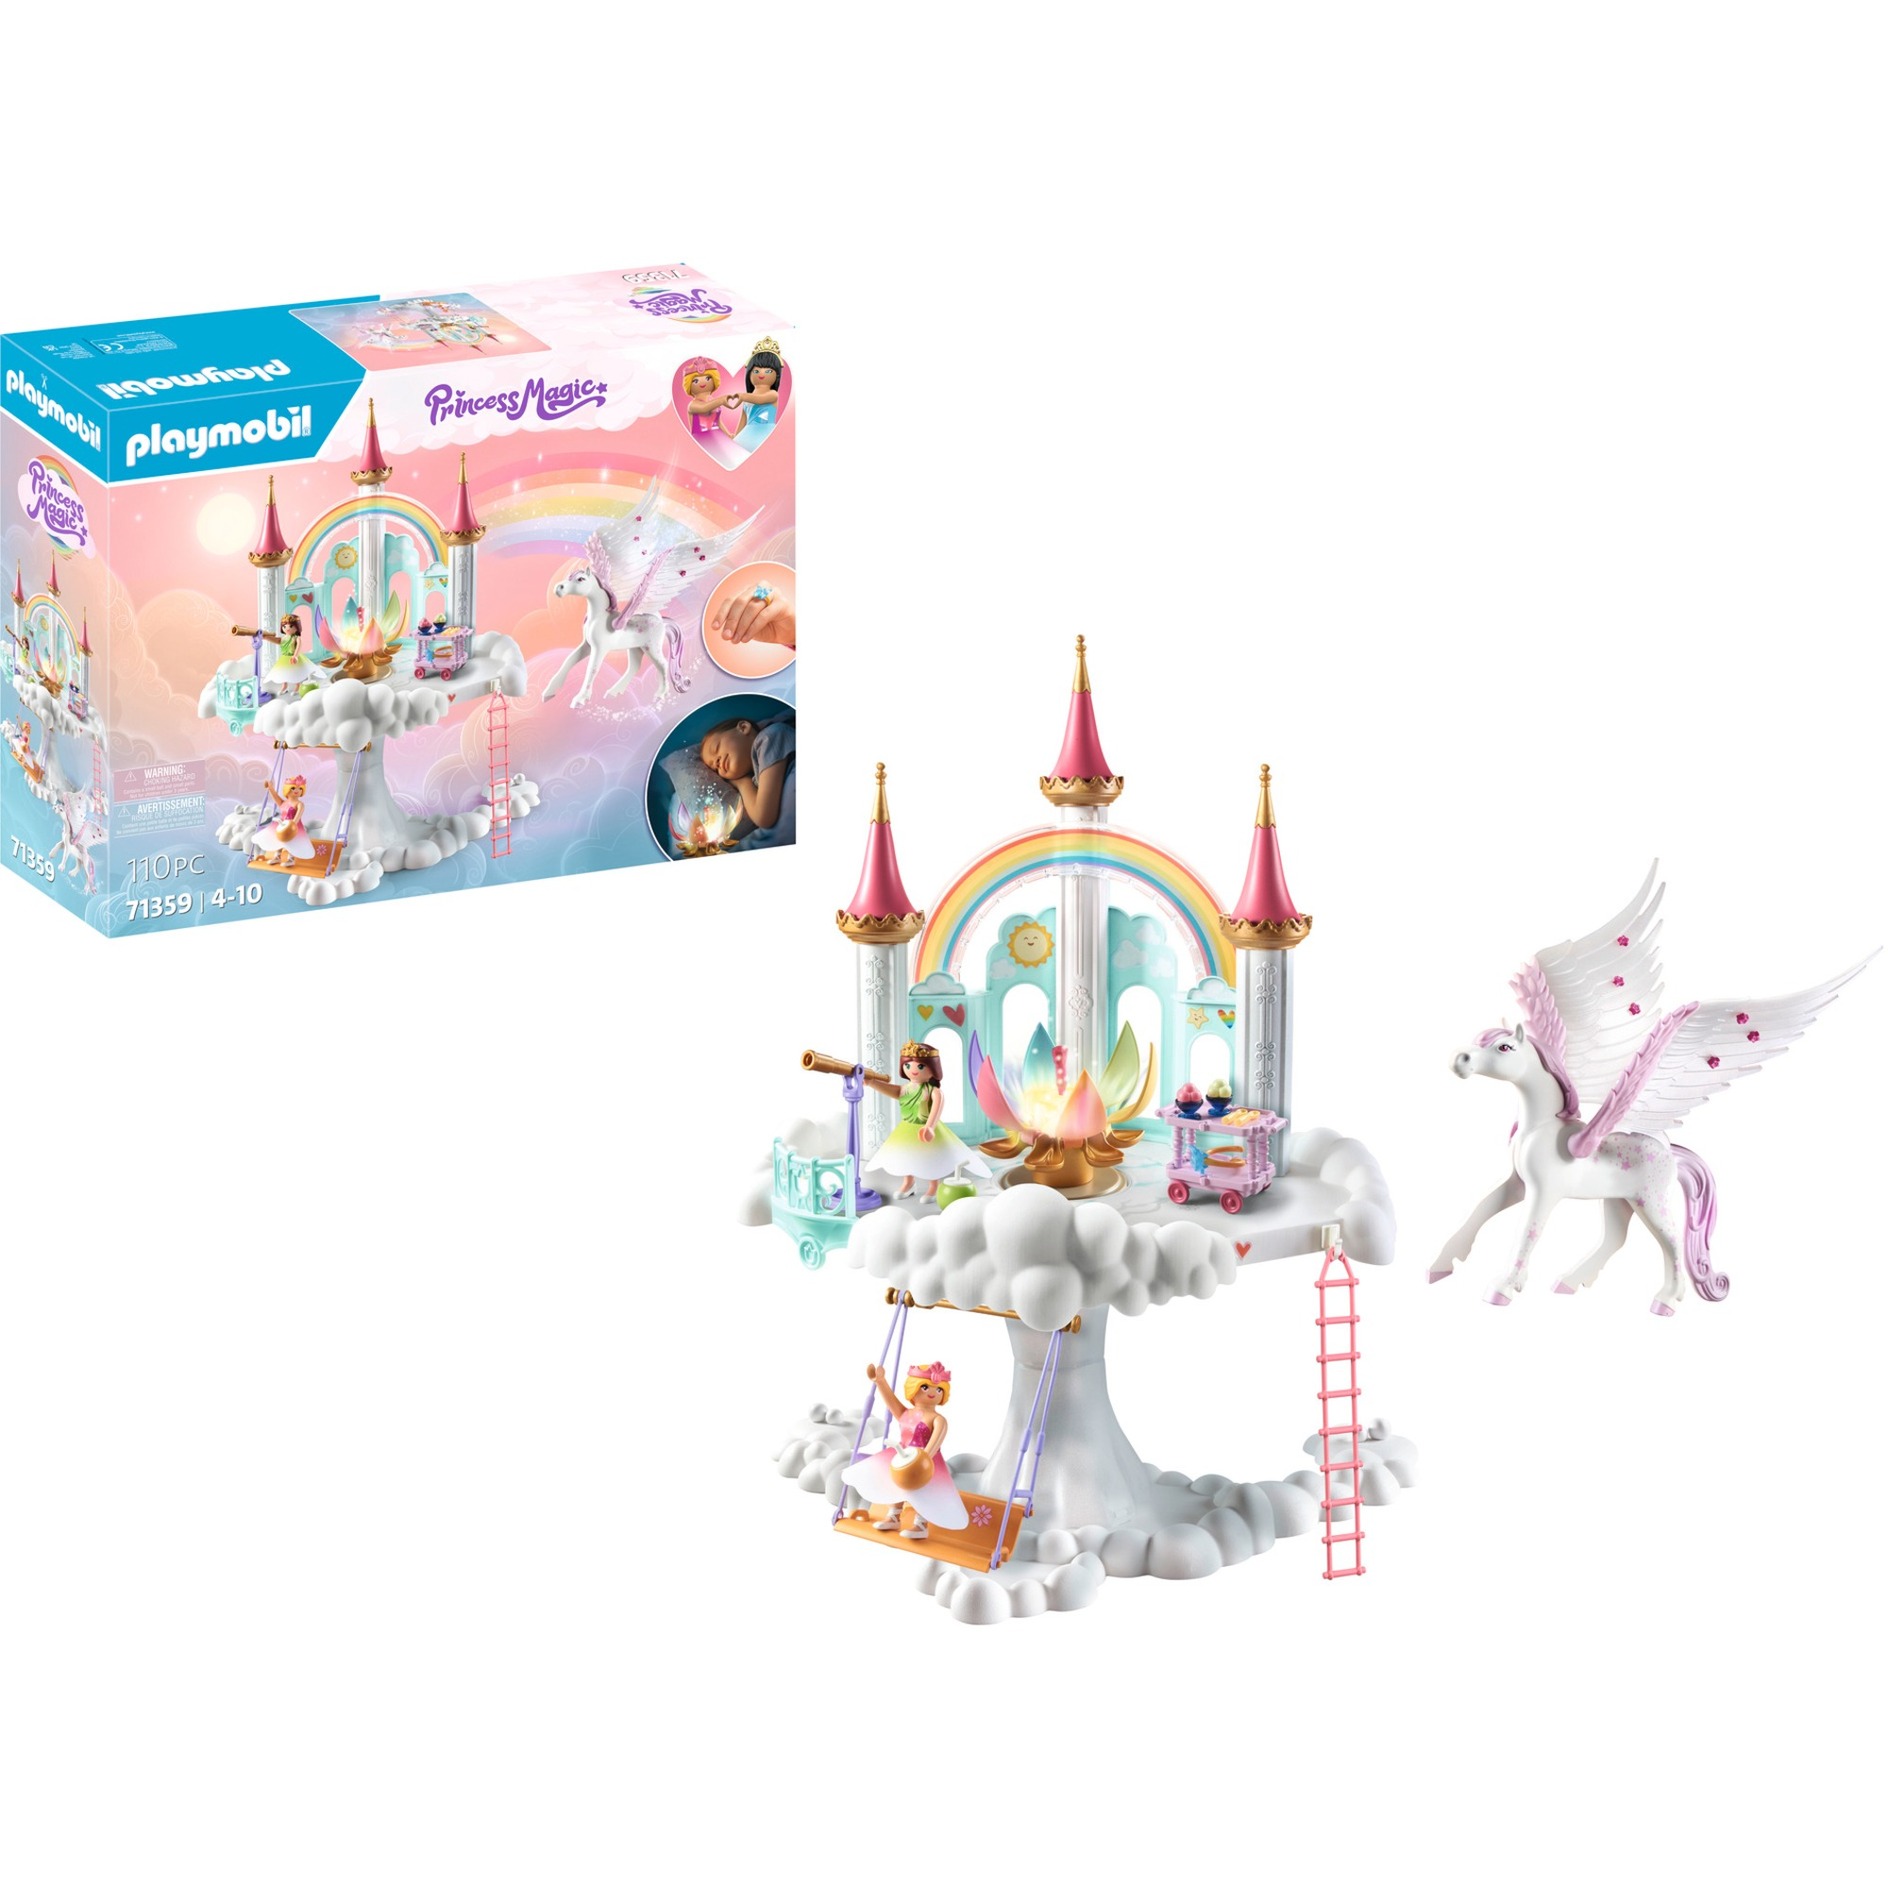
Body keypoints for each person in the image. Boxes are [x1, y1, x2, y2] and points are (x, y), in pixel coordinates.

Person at [841, 1361, 970, 1541]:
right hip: (901, 1456)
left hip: (925, 1461)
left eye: (939, 1389)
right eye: (925, 1387)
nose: (932, 1392)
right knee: (894, 1484)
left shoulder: (938, 1420)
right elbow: (891, 1401)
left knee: (924, 1492)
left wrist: (922, 1460)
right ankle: (894, 1517)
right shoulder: (906, 1413)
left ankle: (921, 1524)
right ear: (913, 1388)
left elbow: (935, 1442)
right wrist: (880, 1380)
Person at [865, 1042, 989, 1201]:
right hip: (906, 1129)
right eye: (907, 1065)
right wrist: (872, 1082)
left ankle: (933, 1186)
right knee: (907, 1157)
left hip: (925, 1130)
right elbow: (892, 1090)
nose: (913, 1070)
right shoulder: (905, 1089)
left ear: (933, 1068)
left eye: (920, 1066)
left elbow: (936, 1110)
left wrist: (930, 1127)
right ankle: (908, 1183)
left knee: (931, 1159)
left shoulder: (934, 1092)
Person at [698, 711, 794, 839]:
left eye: (716, 748)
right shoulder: (757, 779)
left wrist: (742, 783)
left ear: (743, 728)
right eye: (715, 769)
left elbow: (763, 817)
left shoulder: (770, 736)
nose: (717, 762)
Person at [254, 773, 316, 868]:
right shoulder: (284, 802)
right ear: (287, 789)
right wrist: (270, 787)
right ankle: (277, 857)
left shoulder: (299, 804)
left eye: (300, 788)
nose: (297, 790)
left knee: (292, 843)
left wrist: (291, 826)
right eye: (293, 788)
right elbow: (275, 796)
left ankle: (291, 859)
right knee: (278, 840)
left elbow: (297, 817)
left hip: (292, 827)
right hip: (281, 825)